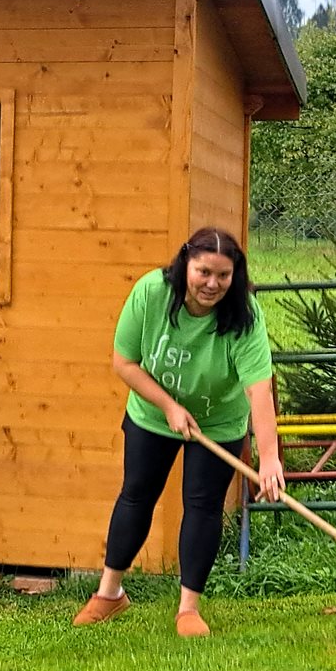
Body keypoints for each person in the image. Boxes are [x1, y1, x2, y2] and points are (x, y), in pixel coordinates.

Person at [73, 227, 283, 636]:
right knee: (136, 496)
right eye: (204, 271)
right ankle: (109, 594)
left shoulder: (244, 314)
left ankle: (188, 609)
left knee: (203, 506)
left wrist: (270, 458)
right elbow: (124, 363)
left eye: (223, 275)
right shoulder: (151, 292)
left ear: (235, 275)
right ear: (185, 263)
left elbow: (259, 389)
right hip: (152, 413)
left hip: (219, 420)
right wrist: (169, 406)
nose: (212, 284)